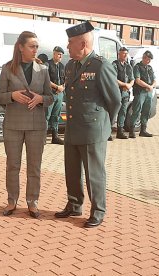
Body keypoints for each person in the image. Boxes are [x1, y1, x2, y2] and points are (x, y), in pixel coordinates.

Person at [54, 21, 121, 228]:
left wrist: (105, 127)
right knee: (72, 170)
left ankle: (98, 210)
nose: (67, 47)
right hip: (73, 128)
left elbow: (115, 100)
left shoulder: (101, 66)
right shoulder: (71, 65)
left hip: (93, 131)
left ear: (83, 43)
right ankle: (74, 205)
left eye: (70, 43)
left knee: (94, 174)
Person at [0, 31, 54, 218]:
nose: (35, 49)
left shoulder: (43, 69)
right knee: (13, 165)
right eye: (31, 46)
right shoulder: (8, 68)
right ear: (21, 47)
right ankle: (12, 201)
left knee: (34, 167)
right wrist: (12, 96)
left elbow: (51, 97)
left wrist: (40, 99)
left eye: (37, 46)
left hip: (36, 126)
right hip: (13, 125)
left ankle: (32, 202)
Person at [129, 50, 156, 138]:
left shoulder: (150, 68)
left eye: (150, 60)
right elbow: (138, 80)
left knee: (146, 111)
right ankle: (131, 131)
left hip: (148, 92)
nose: (149, 61)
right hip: (140, 92)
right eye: (148, 59)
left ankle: (143, 130)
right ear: (144, 58)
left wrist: (151, 86)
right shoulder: (137, 67)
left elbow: (154, 79)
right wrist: (148, 86)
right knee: (136, 111)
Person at [112, 47, 135, 139]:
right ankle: (108, 131)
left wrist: (129, 85)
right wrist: (125, 84)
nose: (125, 55)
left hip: (125, 93)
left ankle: (120, 131)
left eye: (126, 53)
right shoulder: (114, 64)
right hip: (116, 92)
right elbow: (113, 78)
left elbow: (132, 78)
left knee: (123, 112)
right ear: (119, 54)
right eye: (123, 53)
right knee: (113, 112)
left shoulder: (128, 65)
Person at [46, 46, 66, 145]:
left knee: (56, 116)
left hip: (59, 94)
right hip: (50, 93)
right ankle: (42, 137)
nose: (60, 56)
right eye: (58, 54)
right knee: (47, 115)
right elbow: (45, 79)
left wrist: (62, 87)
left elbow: (66, 79)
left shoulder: (62, 66)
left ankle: (55, 136)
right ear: (54, 54)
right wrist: (56, 87)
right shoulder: (48, 64)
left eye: (61, 55)